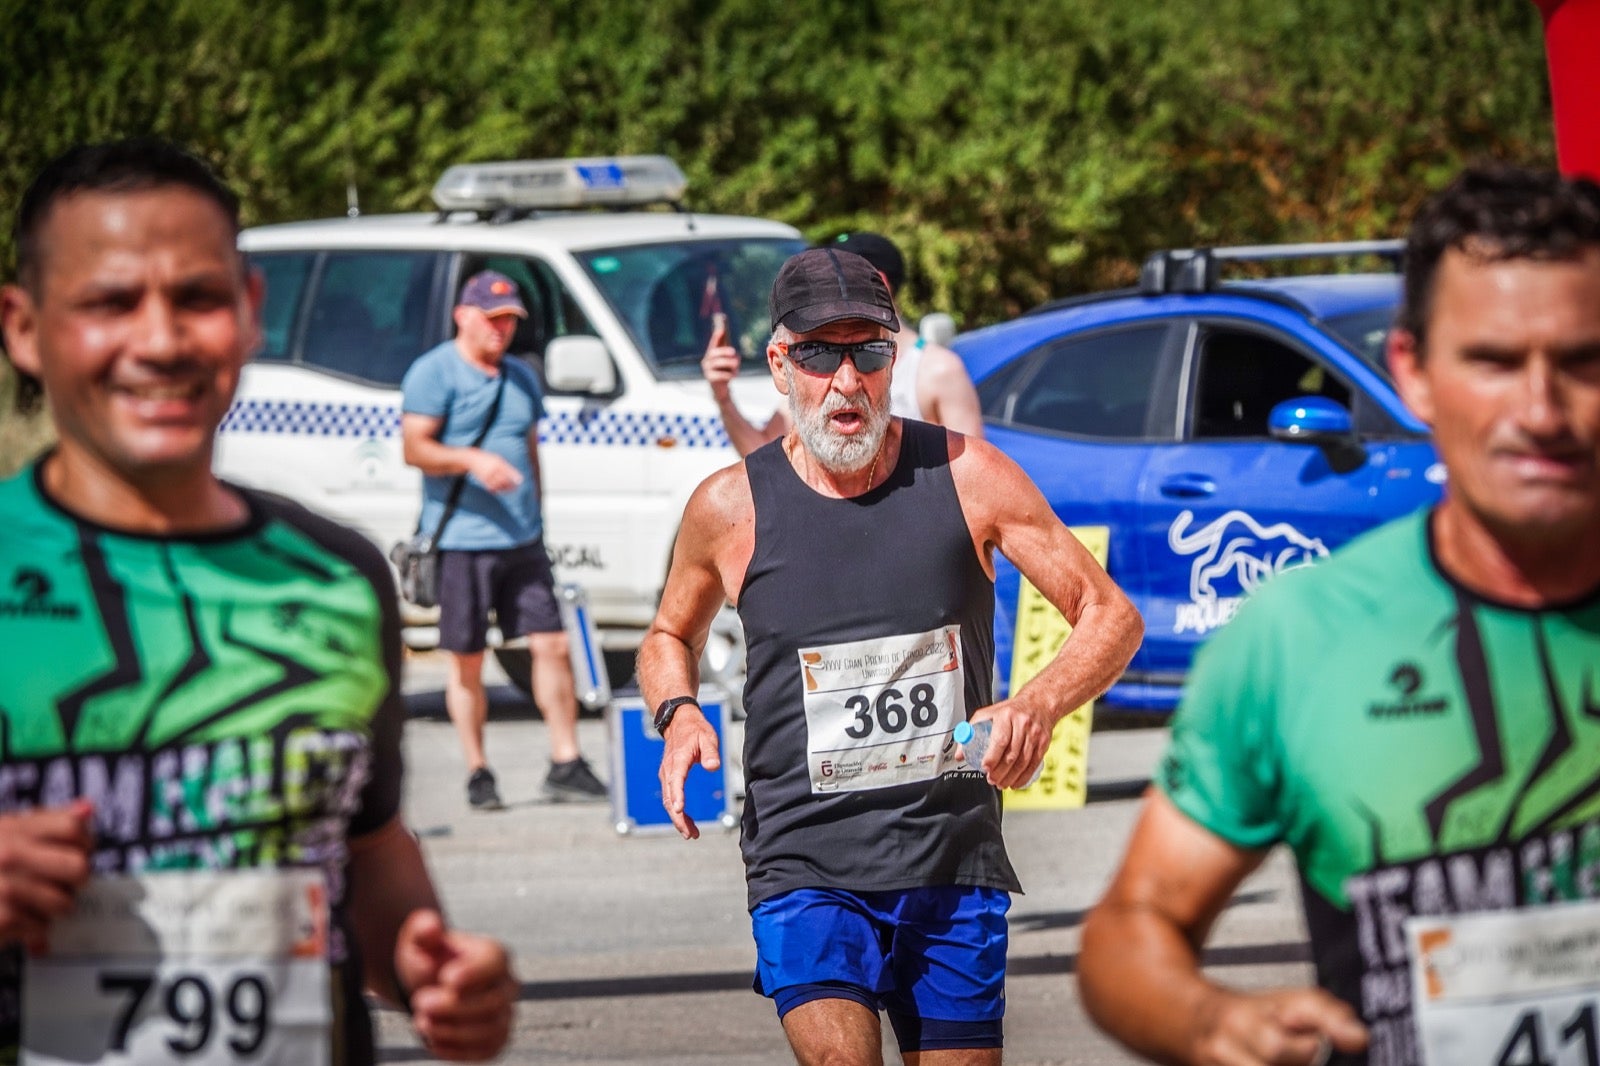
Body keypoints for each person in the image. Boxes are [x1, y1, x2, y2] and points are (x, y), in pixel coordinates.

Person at [0, 138, 516, 1063]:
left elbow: (365, 849)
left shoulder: (338, 576)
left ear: (248, 314)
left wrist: (426, 969)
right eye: (110, 302)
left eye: (196, 298)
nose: (159, 341)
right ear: (24, 327)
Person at [1078, 163, 1600, 1066]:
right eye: (1493, 361)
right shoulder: (1297, 640)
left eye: (1584, 361)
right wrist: (1207, 1020)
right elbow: (1133, 930)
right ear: (1415, 372)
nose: (1540, 409)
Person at [640, 247, 1143, 1064]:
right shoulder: (729, 508)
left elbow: (1109, 615)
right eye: (818, 353)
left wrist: (1035, 704)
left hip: (950, 856)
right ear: (779, 362)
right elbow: (669, 635)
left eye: (868, 351)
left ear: (893, 357)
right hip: (803, 859)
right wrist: (678, 709)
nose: (847, 380)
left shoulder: (968, 477)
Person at [399, 271, 607, 808]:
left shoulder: (521, 376)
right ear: (463, 316)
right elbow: (415, 449)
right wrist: (471, 460)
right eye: (493, 319)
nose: (502, 329)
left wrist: (537, 514)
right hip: (462, 541)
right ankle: (478, 770)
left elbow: (530, 449)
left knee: (552, 645)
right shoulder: (433, 373)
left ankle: (565, 760)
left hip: (522, 540)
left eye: (510, 320)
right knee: (467, 658)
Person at [702, 231, 984, 455]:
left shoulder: (936, 370)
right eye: (821, 353)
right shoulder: (809, 366)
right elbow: (764, 459)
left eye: (829, 278)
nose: (846, 381)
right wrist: (723, 397)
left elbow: (972, 482)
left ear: (879, 282)